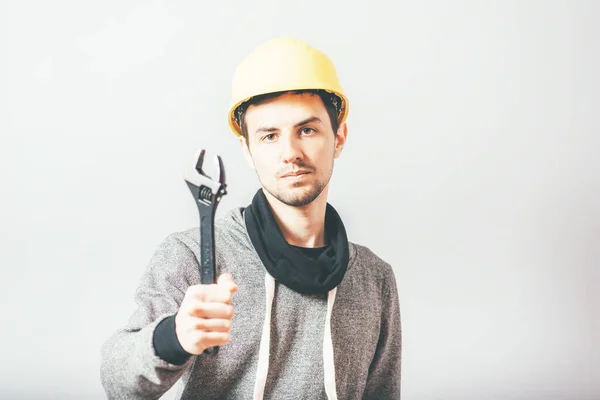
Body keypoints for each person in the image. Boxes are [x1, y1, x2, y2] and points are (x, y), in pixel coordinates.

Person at [100, 37, 402, 399]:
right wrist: (174, 337)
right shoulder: (193, 255)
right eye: (270, 136)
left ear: (339, 137)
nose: (290, 153)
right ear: (247, 149)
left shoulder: (374, 278)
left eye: (307, 130)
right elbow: (118, 380)